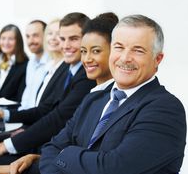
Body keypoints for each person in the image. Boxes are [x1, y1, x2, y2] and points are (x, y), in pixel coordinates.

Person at [0, 12, 119, 174]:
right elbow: (48, 112)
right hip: (49, 151)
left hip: (53, 155)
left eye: (74, 39)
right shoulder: (67, 70)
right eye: (62, 39)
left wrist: (7, 167)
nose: (65, 45)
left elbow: (59, 121)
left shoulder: (92, 82)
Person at [39, 14, 187, 174]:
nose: (125, 58)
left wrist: (65, 154)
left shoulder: (165, 108)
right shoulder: (94, 99)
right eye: (119, 47)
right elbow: (51, 148)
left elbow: (113, 168)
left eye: (138, 50)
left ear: (157, 59)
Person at [0, 24, 28, 102]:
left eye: (10, 39)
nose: (6, 42)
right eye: (3, 38)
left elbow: (20, 98)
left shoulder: (25, 65)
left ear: (18, 42)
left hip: (10, 112)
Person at [19, 20, 51, 110]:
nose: (30, 41)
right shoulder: (31, 62)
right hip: (25, 116)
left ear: (46, 36)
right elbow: (26, 98)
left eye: (35, 35)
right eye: (28, 36)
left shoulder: (52, 64)